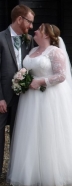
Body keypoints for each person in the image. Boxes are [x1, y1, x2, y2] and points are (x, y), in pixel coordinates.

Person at [7, 23, 72, 186]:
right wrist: (22, 79)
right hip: (31, 99)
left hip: (49, 97)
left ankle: (53, 173)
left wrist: (40, 81)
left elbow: (61, 76)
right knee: (32, 132)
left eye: (39, 30)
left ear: (46, 35)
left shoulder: (55, 52)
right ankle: (32, 172)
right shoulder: (32, 51)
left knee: (50, 132)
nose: (35, 31)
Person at [0, 4, 35, 177]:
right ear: (19, 19)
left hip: (23, 98)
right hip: (3, 98)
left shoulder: (28, 40)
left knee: (19, 136)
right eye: (29, 22)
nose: (31, 26)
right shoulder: (0, 39)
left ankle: (14, 173)